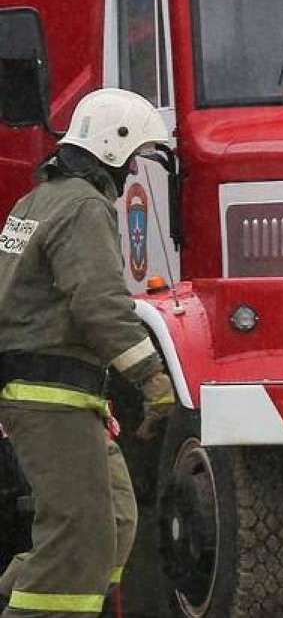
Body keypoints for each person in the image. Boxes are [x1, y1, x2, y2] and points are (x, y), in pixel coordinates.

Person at [0, 88, 177, 617]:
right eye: (135, 158)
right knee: (77, 536)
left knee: (114, 521)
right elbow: (99, 302)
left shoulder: (37, 201)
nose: (133, 172)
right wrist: (152, 378)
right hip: (49, 394)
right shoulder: (83, 206)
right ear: (113, 147)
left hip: (61, 394)